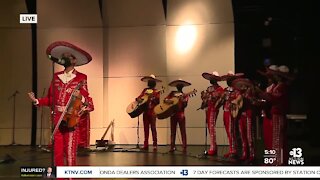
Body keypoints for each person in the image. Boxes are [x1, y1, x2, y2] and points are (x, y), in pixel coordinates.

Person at [28, 41, 94, 166]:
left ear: (74, 61)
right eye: (64, 56)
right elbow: (50, 99)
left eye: (68, 56)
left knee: (69, 153)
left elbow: (88, 101)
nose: (65, 58)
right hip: (57, 120)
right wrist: (37, 101)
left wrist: (82, 98)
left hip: (71, 120)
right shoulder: (56, 76)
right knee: (57, 154)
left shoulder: (81, 77)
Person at [259, 65, 293, 165]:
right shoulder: (278, 86)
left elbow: (273, 99)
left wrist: (260, 93)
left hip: (278, 114)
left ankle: (278, 162)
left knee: (277, 139)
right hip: (274, 114)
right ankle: (274, 161)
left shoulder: (281, 87)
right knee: (274, 139)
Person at [220, 71, 244, 158]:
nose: (227, 81)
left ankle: (234, 150)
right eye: (227, 79)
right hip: (225, 111)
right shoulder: (225, 90)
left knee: (232, 131)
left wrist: (233, 101)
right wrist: (222, 99)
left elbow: (239, 99)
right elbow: (222, 101)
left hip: (232, 112)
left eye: (229, 79)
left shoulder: (236, 90)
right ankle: (231, 149)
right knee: (228, 131)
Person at [164, 79, 192, 153]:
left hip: (181, 115)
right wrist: (169, 101)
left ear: (182, 87)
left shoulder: (185, 95)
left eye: (181, 85)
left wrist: (183, 100)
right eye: (178, 85)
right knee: (172, 131)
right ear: (176, 86)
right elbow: (165, 100)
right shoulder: (172, 94)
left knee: (183, 131)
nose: (179, 86)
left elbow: (185, 105)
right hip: (172, 114)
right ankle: (172, 147)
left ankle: (184, 147)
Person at [232, 78, 256, 162]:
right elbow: (234, 103)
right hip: (241, 116)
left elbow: (253, 102)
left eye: (243, 85)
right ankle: (245, 153)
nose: (242, 87)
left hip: (248, 115)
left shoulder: (250, 93)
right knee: (242, 135)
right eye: (240, 85)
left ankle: (252, 154)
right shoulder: (239, 94)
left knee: (249, 136)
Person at [136, 74, 162, 151]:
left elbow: (158, 102)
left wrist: (152, 98)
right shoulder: (145, 90)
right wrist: (138, 99)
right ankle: (146, 145)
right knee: (146, 129)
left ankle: (155, 144)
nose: (150, 82)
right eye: (149, 81)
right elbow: (140, 97)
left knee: (153, 128)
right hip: (145, 111)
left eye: (152, 81)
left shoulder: (156, 91)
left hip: (152, 112)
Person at [201, 71, 224, 155]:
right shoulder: (209, 88)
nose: (210, 80)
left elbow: (220, 100)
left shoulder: (220, 89)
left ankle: (213, 148)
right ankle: (214, 146)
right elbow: (205, 99)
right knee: (210, 127)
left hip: (214, 109)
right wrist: (204, 100)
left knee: (211, 126)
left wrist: (213, 98)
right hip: (208, 109)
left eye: (212, 78)